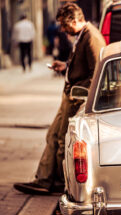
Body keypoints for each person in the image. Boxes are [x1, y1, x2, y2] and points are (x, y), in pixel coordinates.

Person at [13, 3, 106, 195]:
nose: (62, 30)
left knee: (63, 141)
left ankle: (59, 183)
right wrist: (65, 66)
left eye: (64, 25)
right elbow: (84, 66)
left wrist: (78, 94)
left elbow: (97, 74)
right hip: (70, 94)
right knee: (53, 136)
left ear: (74, 20)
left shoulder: (91, 38)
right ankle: (46, 180)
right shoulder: (83, 35)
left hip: (76, 97)